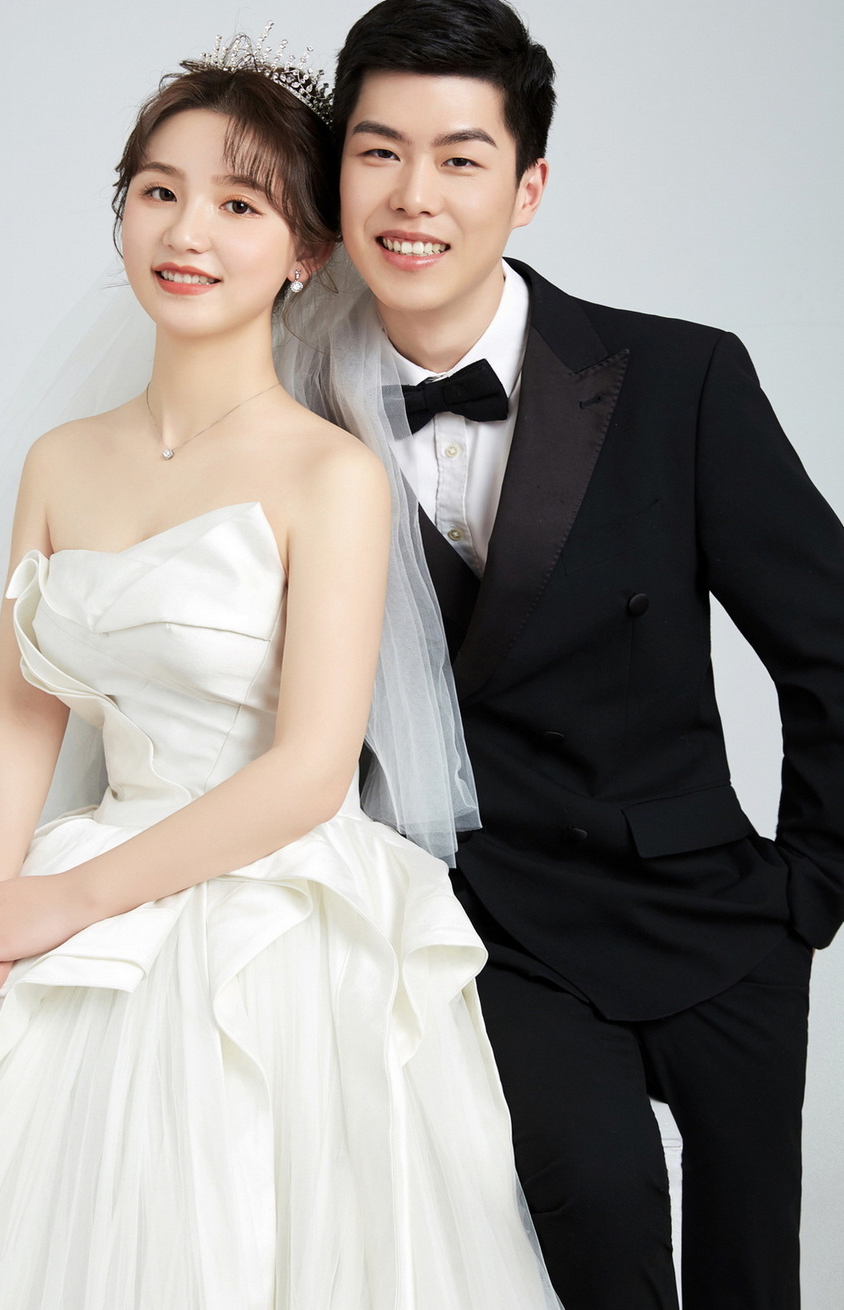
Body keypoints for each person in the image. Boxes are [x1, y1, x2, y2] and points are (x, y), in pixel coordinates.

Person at [0, 36, 562, 1310]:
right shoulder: (60, 458)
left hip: (269, 905)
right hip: (76, 865)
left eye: (240, 204)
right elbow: (20, 711)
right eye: (159, 190)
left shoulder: (330, 473)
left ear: (304, 251)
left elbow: (308, 771)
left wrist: (69, 903)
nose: (187, 231)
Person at [279, 1, 844, 1307]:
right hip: (490, 930)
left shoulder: (680, 377)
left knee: (751, 1276)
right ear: (335, 172)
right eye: (378, 151)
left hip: (708, 910)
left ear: (527, 189)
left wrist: (808, 890)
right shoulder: (285, 402)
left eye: (460, 157)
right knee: (599, 1228)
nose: (413, 196)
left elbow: (829, 640)